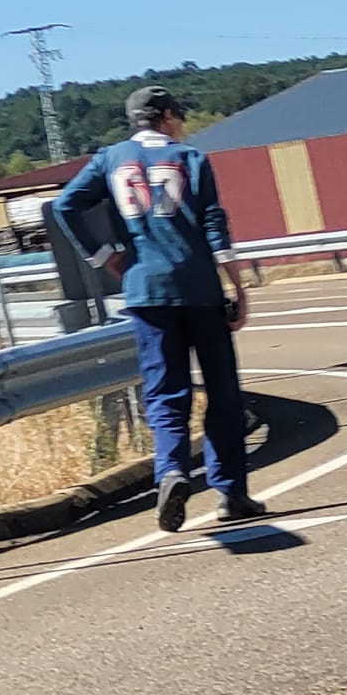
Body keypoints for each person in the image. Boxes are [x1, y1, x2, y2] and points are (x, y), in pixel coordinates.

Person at [52, 86, 264, 531]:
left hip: (145, 287)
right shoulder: (190, 159)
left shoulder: (110, 159)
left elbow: (65, 204)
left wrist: (104, 254)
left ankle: (170, 470)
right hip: (199, 286)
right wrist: (237, 288)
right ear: (166, 116)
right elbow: (213, 224)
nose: (181, 122)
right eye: (179, 115)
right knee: (222, 391)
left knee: (166, 391)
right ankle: (232, 492)